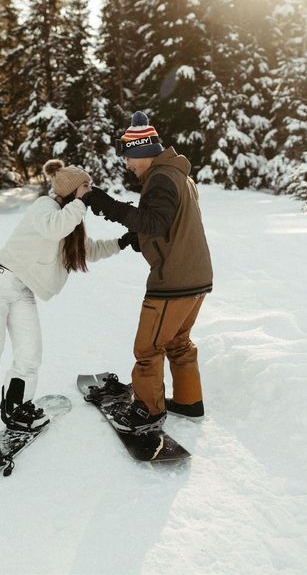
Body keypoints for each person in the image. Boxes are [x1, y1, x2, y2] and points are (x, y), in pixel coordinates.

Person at [0, 159, 131, 432]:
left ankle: (16, 406)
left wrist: (123, 242)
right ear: (72, 189)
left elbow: (88, 250)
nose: (91, 191)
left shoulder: (70, 218)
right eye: (86, 187)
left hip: (23, 290)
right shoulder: (45, 207)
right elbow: (54, 228)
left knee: (30, 353)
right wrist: (81, 204)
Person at [83, 112, 213, 433]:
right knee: (177, 341)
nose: (126, 164)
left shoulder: (161, 178)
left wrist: (107, 205)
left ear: (141, 151)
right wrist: (136, 238)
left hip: (173, 281)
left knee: (147, 347)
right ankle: (187, 401)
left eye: (127, 157)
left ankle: (148, 411)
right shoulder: (178, 176)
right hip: (196, 277)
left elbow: (154, 222)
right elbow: (171, 224)